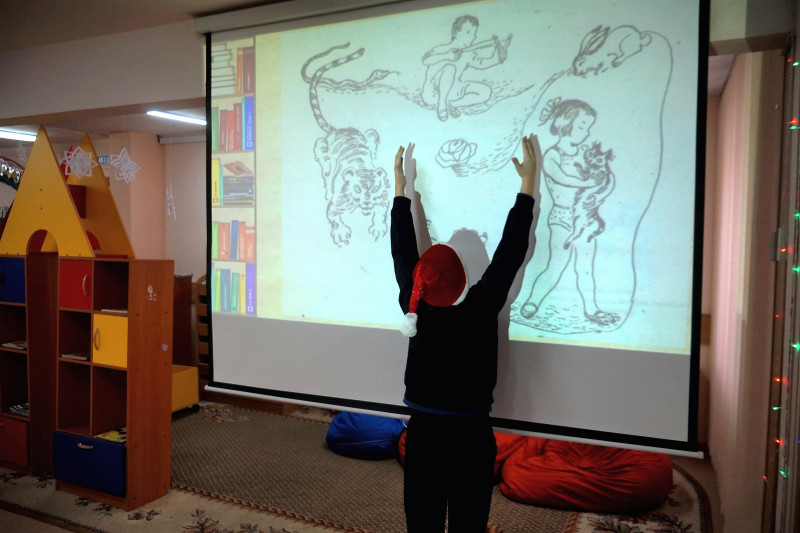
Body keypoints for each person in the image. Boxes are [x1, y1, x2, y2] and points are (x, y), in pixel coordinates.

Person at [391, 135, 537, 532]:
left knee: (421, 521)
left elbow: (402, 252)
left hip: (423, 437)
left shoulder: (413, 304)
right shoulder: (481, 305)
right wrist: (527, 186)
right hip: (472, 438)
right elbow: (510, 251)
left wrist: (402, 192)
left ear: (422, 281)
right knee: (469, 522)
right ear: (464, 279)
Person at [519, 98, 618, 326]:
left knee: (585, 267)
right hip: (562, 218)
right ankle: (533, 301)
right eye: (582, 126)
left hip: (586, 219)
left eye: (588, 127)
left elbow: (606, 176)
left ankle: (592, 309)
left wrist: (599, 194)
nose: (586, 132)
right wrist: (589, 184)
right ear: (565, 124)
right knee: (556, 265)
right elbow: (563, 178)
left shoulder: (586, 152)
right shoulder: (553, 155)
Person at [421, 15, 509, 121]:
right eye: (468, 32)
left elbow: (482, 63)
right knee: (449, 69)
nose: (473, 37)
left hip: (453, 92)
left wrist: (497, 58)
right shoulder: (441, 49)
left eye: (474, 34)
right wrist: (447, 56)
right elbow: (425, 60)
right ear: (455, 33)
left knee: (486, 91)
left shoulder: (467, 54)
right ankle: (442, 104)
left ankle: (451, 104)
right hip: (432, 93)